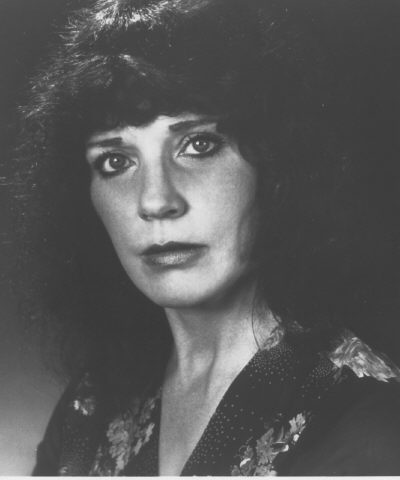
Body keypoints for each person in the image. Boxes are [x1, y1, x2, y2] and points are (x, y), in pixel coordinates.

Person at [14, 0, 400, 475]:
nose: (155, 201)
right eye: (116, 161)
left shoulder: (367, 421)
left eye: (198, 145)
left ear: (274, 164)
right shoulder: (89, 407)